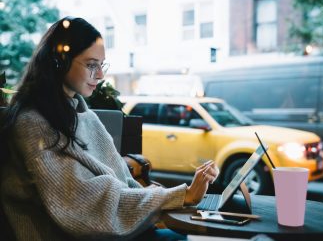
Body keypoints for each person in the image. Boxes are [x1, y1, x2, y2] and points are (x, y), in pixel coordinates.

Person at [0, 17, 219, 241]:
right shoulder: (32, 123)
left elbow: (123, 183)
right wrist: (181, 196)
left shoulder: (82, 115)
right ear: (59, 62)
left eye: (101, 64)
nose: (101, 75)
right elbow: (83, 207)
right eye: (91, 64)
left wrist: (180, 196)